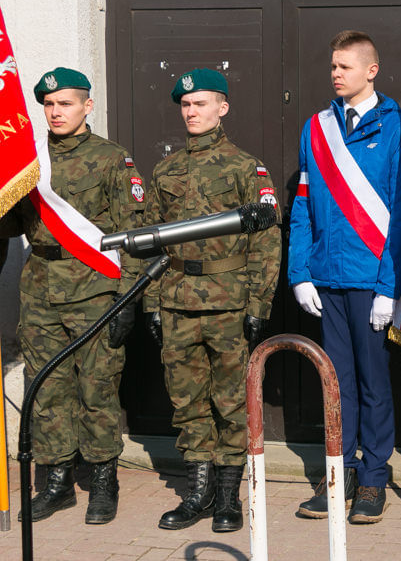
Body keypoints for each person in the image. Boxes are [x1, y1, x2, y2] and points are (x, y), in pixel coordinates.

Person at [0, 67, 145, 524]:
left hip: (94, 286)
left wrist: (130, 297)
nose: (56, 111)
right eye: (48, 104)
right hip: (40, 286)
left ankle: (104, 481)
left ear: (87, 105)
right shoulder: (29, 160)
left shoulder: (111, 159)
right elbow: (9, 227)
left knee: (96, 387)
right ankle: (57, 482)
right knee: (46, 387)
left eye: (65, 103)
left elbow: (134, 234)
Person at [144, 68, 281, 532]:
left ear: (222, 108)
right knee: (187, 402)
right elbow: (151, 243)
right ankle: (197, 494)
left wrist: (259, 304)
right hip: (177, 300)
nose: (191, 111)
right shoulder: (165, 170)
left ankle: (228, 498)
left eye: (200, 103)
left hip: (229, 303)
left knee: (230, 402)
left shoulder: (247, 168)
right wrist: (151, 304)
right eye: (185, 105)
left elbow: (266, 240)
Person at [289, 30, 401, 524]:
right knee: (334, 384)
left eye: (345, 66)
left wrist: (388, 287)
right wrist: (300, 273)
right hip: (326, 278)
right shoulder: (316, 127)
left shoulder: (400, 129)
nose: (335, 74)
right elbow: (302, 206)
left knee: (372, 383)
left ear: (372, 70)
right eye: (333, 66)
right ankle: (338, 473)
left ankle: (374, 479)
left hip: (371, 280)